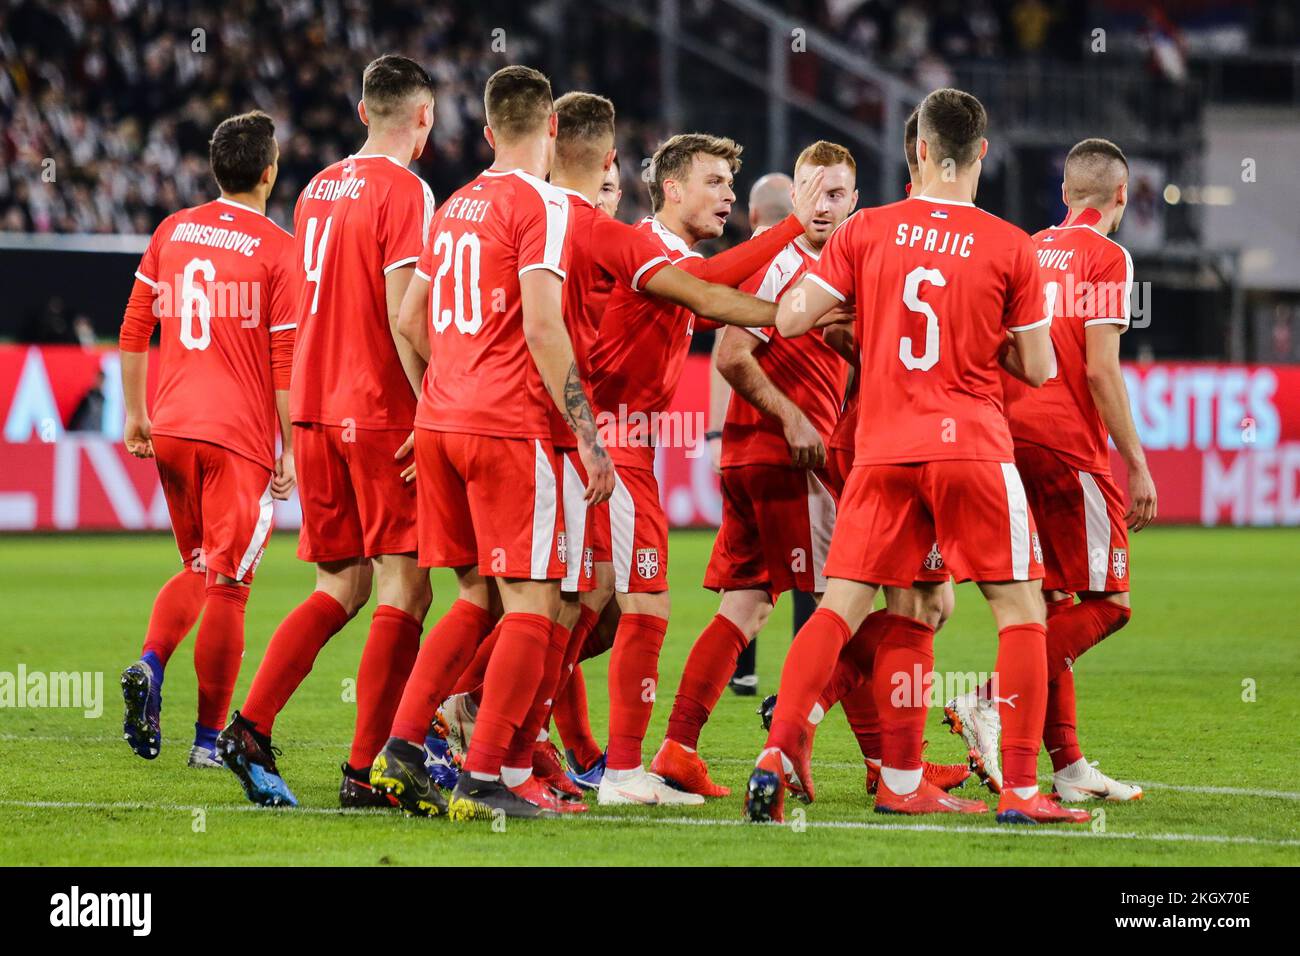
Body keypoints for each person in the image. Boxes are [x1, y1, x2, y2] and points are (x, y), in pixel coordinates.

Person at [747, 88, 1087, 825]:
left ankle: (787, 753)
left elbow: (792, 315)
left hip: (883, 448)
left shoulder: (869, 229)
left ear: (921, 152)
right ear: (981, 155)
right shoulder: (1009, 244)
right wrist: (986, 335)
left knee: (846, 605)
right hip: (969, 444)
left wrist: (864, 316)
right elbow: (1036, 367)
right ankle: (1023, 791)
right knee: (1020, 610)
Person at [369, 65, 615, 820]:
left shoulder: (453, 206)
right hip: (510, 429)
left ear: (484, 132)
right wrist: (588, 435)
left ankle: (401, 749)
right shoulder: (542, 205)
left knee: (476, 596)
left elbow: (410, 321)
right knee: (536, 606)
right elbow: (544, 328)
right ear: (549, 129)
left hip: (441, 423)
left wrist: (439, 396)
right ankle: (483, 780)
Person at [580, 133, 828, 806]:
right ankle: (622, 772)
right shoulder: (651, 250)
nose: (726, 196)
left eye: (729, 183)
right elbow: (715, 298)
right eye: (714, 182)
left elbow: (712, 285)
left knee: (582, 615)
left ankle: (493, 725)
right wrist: (796, 305)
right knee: (646, 608)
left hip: (620, 446)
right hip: (612, 445)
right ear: (672, 188)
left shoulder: (671, 257)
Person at [218, 55, 437, 808]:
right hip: (376, 407)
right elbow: (405, 310)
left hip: (313, 405)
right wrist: (430, 407)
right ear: (424, 119)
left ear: (360, 111)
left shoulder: (316, 187)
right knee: (405, 588)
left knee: (339, 584)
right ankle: (365, 770)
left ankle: (249, 725)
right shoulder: (405, 188)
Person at [947, 137, 1153, 802]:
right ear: (1120, 195)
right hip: (1069, 448)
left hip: (1009, 440)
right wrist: (1138, 467)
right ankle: (989, 700)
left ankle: (1066, 767)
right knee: (1110, 603)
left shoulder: (1026, 248)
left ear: (1065, 195)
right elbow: (1099, 366)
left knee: (1049, 603)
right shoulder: (1108, 255)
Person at [117, 110, 297, 771]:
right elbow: (284, 359)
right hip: (237, 440)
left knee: (198, 566)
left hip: (172, 428)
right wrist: (291, 447)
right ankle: (205, 743)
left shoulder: (173, 230)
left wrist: (135, 415)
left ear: (215, 169)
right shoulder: (280, 250)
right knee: (230, 586)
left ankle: (150, 661)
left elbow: (135, 326)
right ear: (270, 172)